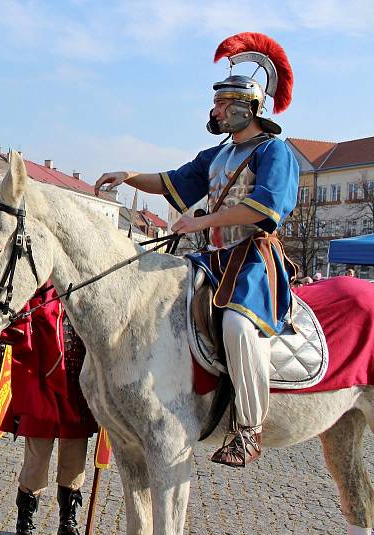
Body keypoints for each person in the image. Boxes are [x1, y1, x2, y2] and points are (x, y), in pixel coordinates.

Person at [95, 32, 298, 468]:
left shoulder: (275, 151)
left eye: (225, 103)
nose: (217, 111)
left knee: (239, 329)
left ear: (249, 104)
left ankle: (248, 429)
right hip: (212, 259)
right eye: (218, 104)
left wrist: (203, 221)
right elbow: (173, 180)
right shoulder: (217, 154)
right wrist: (129, 175)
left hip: (251, 262)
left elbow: (264, 209)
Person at [0, 282, 96, 535]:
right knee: (37, 460)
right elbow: (14, 328)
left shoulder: (88, 288)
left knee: (75, 463)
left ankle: (67, 525)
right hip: (42, 387)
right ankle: (24, 528)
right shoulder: (36, 291)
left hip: (79, 388)